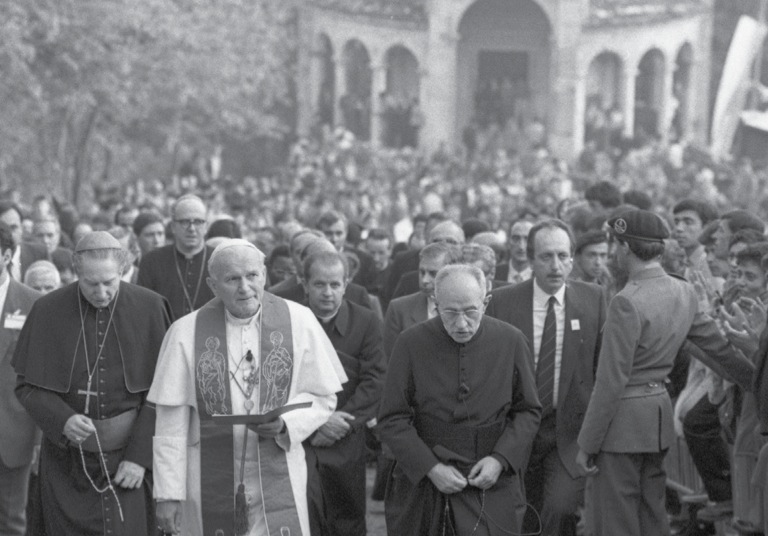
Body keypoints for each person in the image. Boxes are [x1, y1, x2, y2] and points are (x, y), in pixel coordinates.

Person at [149, 239, 346, 536]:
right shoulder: (184, 332)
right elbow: (170, 424)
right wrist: (167, 494)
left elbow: (323, 397)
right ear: (212, 285)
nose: (245, 287)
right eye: (232, 279)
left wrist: (285, 424)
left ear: (264, 275)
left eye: (252, 276)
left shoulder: (299, 321)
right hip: (205, 476)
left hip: (280, 469)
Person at [575, 210, 747, 536]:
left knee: (615, 519)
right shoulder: (683, 291)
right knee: (652, 514)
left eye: (615, 245)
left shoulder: (627, 301)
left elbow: (610, 381)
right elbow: (719, 350)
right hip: (657, 419)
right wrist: (756, 380)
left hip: (621, 426)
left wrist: (587, 443)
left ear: (625, 247)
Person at [13, 231, 172, 536]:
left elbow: (164, 394)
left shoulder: (151, 308)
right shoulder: (48, 310)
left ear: (123, 270)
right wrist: (63, 419)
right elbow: (27, 386)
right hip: (67, 463)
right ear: (75, 271)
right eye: (90, 283)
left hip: (130, 462)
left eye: (109, 282)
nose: (101, 292)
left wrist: (139, 459)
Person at [378, 264, 541, 535]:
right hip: (425, 478)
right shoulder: (410, 343)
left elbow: (528, 411)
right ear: (435, 304)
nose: (461, 323)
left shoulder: (511, 340)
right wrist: (430, 468)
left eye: (470, 311)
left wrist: (500, 460)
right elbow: (392, 418)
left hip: (491, 479)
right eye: (450, 312)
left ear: (485, 303)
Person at [486, 219, 607, 536]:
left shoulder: (594, 300)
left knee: (561, 510)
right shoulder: (503, 302)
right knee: (519, 513)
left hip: (567, 434)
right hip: (515, 430)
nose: (556, 266)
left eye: (563, 256)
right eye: (546, 257)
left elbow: (601, 370)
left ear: (572, 258)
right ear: (530, 258)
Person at [301, 251, 386, 536]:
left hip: (346, 438)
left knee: (346, 519)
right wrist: (314, 421)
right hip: (301, 438)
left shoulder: (367, 322)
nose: (327, 293)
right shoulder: (291, 321)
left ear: (346, 284)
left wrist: (341, 422)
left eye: (335, 285)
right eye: (319, 284)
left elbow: (375, 380)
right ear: (305, 284)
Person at [0, 222, 42, 536]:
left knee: (12, 521)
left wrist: (39, 440)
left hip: (13, 433)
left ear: (6, 255)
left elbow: (41, 377)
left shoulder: (31, 304)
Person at [137, 194, 215, 320]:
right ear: (173, 226)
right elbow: (143, 311)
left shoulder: (220, 259)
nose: (192, 229)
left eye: (198, 222)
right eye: (185, 222)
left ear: (206, 226)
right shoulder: (151, 261)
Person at [383, 242, 462, 357]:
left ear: (453, 273)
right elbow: (391, 360)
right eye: (422, 272)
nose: (425, 280)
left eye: (433, 273)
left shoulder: (468, 308)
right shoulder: (399, 309)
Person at [0, 202, 48, 281]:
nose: (10, 234)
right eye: (3, 230)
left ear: (22, 228)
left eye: (13, 227)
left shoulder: (40, 254)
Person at [496, 219, 534, 284]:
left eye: (527, 239)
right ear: (508, 241)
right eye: (516, 239)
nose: (521, 246)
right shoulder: (495, 273)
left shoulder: (541, 276)